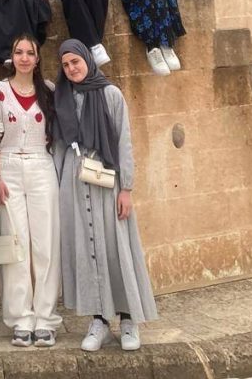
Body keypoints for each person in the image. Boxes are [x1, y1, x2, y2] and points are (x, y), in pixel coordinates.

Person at [55, 40, 158, 352]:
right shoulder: (61, 98)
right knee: (86, 252)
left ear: (88, 60)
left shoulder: (110, 94)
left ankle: (128, 319)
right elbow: (58, 146)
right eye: (66, 64)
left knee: (116, 249)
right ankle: (99, 320)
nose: (72, 68)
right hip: (74, 181)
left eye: (76, 61)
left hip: (106, 178)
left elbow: (124, 141)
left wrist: (126, 188)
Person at [0, 34, 60, 347]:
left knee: (45, 244)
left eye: (30, 52)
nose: (25, 57)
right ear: (12, 56)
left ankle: (45, 318)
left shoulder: (49, 92)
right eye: (19, 52)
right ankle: (20, 319)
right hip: (10, 168)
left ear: (38, 58)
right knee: (16, 247)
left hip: (42, 167)